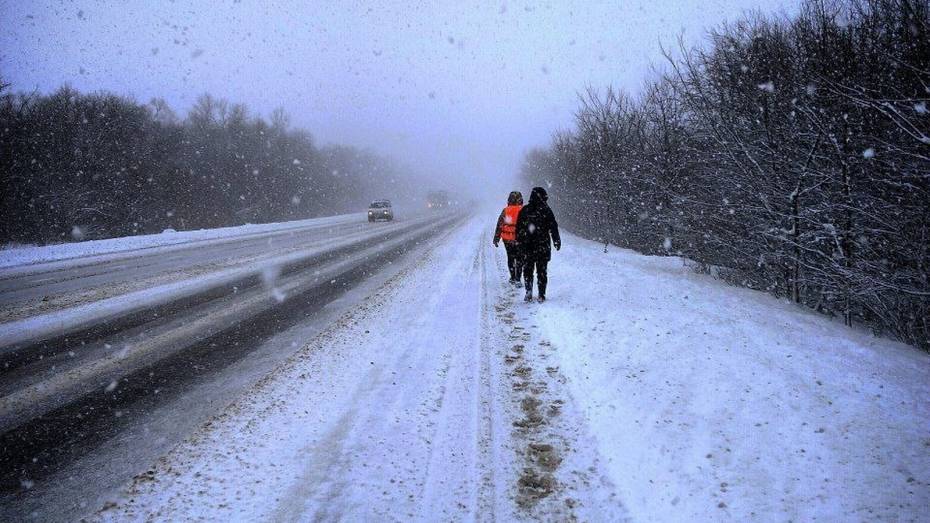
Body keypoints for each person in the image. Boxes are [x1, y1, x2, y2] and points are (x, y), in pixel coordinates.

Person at [516, 186, 560, 302]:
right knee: (542, 271)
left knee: (528, 270)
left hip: (528, 246)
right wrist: (556, 240)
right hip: (542, 245)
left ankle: (529, 291)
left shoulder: (525, 210)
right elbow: (553, 226)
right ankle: (541, 294)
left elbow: (519, 229)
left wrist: (519, 242)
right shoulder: (546, 210)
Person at [492, 191, 524, 286]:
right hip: (520, 239)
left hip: (507, 239)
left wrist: (496, 238)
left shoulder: (506, 210)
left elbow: (500, 225)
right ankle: (518, 278)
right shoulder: (524, 210)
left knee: (510, 257)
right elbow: (528, 224)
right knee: (519, 258)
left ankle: (512, 277)